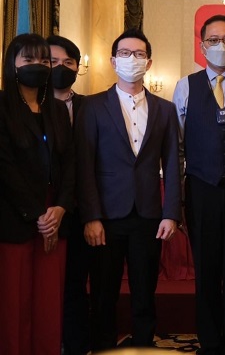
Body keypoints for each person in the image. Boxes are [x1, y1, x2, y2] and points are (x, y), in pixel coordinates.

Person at [76, 28, 181, 351]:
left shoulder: (165, 109)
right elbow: (85, 164)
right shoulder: (92, 106)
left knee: (144, 292)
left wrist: (171, 213)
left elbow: (173, 164)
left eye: (138, 54)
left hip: (148, 215)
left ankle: (144, 347)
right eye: (125, 53)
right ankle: (103, 348)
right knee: (103, 292)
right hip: (105, 216)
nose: (131, 59)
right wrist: (91, 216)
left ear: (148, 63)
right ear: (113, 61)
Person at [173, 14, 225, 354]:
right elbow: (178, 147)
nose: (221, 45)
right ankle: (209, 342)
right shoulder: (185, 86)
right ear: (202, 45)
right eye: (213, 40)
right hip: (201, 190)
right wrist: (177, 199)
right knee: (205, 272)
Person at [0, 33, 75, 355]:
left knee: (48, 301)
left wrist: (59, 208)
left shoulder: (56, 109)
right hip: (16, 217)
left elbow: (70, 164)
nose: (39, 65)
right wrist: (37, 214)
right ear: (12, 64)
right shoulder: (2, 105)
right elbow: (4, 167)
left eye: (44, 60)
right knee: (14, 302)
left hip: (53, 216)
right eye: (29, 59)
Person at [48, 34, 91, 355]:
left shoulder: (92, 106)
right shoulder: (30, 108)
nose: (60, 68)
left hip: (82, 211)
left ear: (77, 67)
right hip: (41, 212)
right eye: (52, 62)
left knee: (76, 284)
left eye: (68, 62)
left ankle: (75, 345)